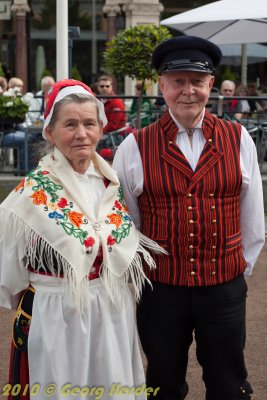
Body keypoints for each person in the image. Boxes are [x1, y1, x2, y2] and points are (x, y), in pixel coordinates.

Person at [113, 36, 265, 400]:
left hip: (224, 287)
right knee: (163, 384)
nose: (188, 91)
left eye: (197, 82)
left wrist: (235, 272)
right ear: (162, 85)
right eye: (178, 81)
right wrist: (144, 275)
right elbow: (126, 223)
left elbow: (253, 217)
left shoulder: (238, 137)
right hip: (161, 290)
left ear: (211, 85)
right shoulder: (135, 145)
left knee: (229, 383)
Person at [0, 79, 166, 400]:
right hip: (58, 317)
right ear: (49, 132)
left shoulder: (108, 183)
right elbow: (8, 276)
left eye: (90, 123)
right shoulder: (30, 195)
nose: (82, 133)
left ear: (101, 128)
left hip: (112, 312)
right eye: (70, 124)